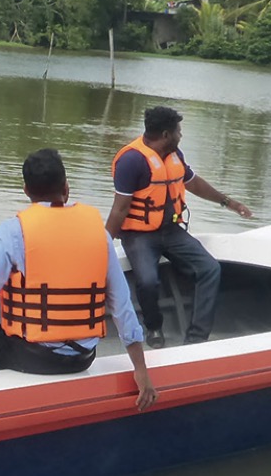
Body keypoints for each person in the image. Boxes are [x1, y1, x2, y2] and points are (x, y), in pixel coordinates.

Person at [0, 149, 155, 410]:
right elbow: (121, 304)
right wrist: (140, 369)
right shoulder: (98, 233)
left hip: (33, 356)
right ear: (66, 187)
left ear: (26, 190)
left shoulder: (13, 232)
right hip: (83, 356)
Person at [105, 106, 253, 348]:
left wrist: (229, 202)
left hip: (172, 231)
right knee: (148, 281)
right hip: (139, 235)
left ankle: (196, 338)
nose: (181, 135)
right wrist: (104, 244)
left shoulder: (175, 155)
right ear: (165, 134)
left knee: (210, 269)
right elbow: (119, 209)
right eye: (178, 131)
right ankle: (153, 327)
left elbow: (194, 184)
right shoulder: (132, 161)